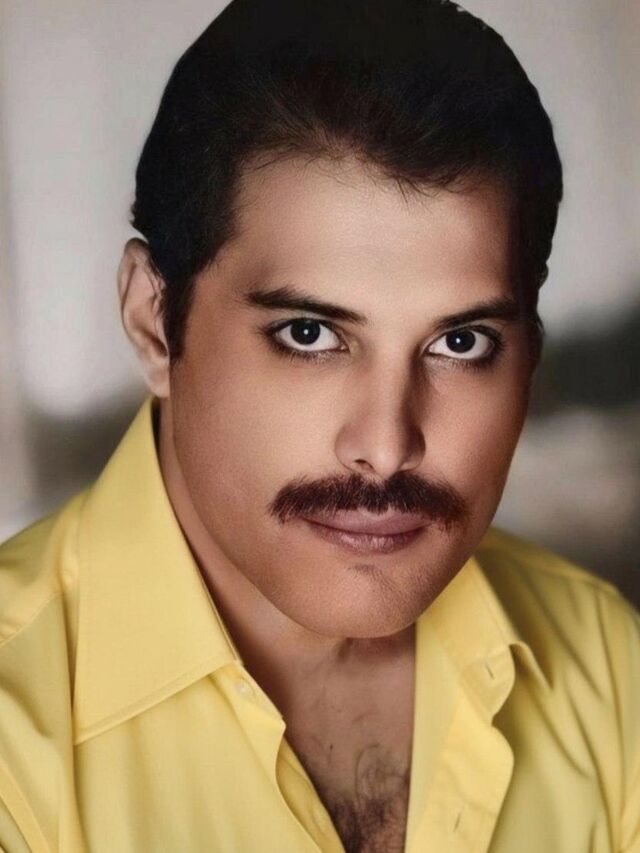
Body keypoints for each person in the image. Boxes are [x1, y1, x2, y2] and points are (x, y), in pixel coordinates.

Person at [0, 0, 638, 850]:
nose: (386, 444)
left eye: (460, 342)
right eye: (309, 334)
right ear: (154, 322)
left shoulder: (605, 665)